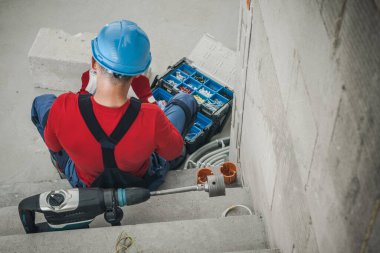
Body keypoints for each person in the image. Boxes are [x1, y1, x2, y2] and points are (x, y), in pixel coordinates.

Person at [31, 20, 198, 190]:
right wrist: (149, 103)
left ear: (94, 63)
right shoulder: (151, 116)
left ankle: (63, 169)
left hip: (85, 183)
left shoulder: (63, 106)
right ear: (138, 73)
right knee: (186, 101)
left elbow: (54, 145)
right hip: (140, 182)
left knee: (41, 102)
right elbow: (172, 152)